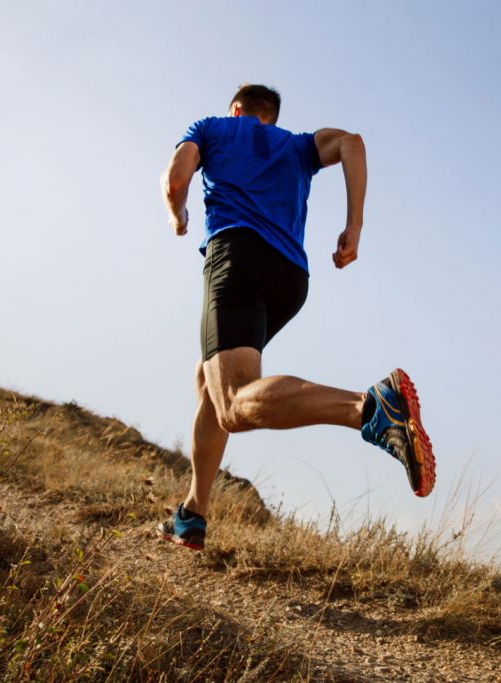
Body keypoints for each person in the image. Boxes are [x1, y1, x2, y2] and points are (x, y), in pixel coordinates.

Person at [157, 84, 435, 551]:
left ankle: (369, 407)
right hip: (290, 277)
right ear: (272, 115)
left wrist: (178, 214)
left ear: (239, 110)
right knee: (209, 378)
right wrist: (354, 227)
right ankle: (192, 513)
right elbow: (353, 144)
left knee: (232, 403)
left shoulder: (213, 128)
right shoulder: (298, 145)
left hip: (237, 255)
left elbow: (175, 179)